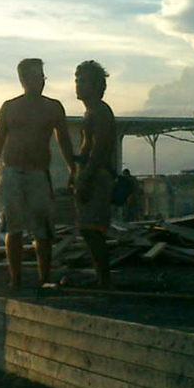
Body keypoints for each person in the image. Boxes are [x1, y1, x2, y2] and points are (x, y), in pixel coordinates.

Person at [0, 58, 78, 293]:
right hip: (11, 172)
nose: (42, 81)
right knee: (12, 227)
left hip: (38, 173)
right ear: (24, 79)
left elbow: (64, 140)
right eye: (37, 77)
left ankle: (44, 278)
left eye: (43, 77)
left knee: (43, 230)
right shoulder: (9, 107)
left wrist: (73, 169)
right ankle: (15, 279)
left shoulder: (53, 107)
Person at [73, 61, 117, 289]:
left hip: (97, 177)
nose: (78, 86)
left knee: (93, 230)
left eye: (83, 81)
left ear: (97, 85)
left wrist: (86, 177)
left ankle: (104, 281)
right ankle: (101, 278)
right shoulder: (92, 112)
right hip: (92, 174)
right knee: (88, 229)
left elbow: (99, 149)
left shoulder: (100, 112)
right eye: (77, 81)